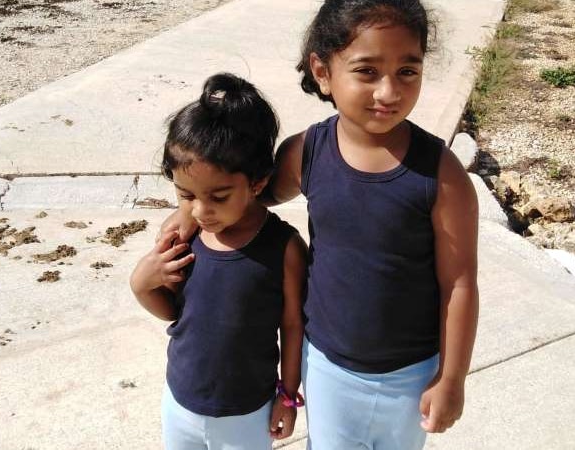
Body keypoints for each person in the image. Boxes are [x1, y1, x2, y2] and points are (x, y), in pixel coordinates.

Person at [162, 0, 479, 448]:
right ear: (323, 72)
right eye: (367, 71)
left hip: (412, 375)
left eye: (407, 72)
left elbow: (460, 283)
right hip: (328, 368)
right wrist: (190, 211)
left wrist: (452, 377)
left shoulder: (441, 176)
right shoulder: (307, 153)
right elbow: (247, 193)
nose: (389, 92)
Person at [130, 72, 307, 450]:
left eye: (219, 197)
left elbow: (293, 327)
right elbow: (176, 312)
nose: (200, 209)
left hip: (247, 413)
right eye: (185, 194)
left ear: (257, 182)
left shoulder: (284, 248)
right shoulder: (183, 233)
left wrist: (288, 396)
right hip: (181, 401)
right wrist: (142, 282)